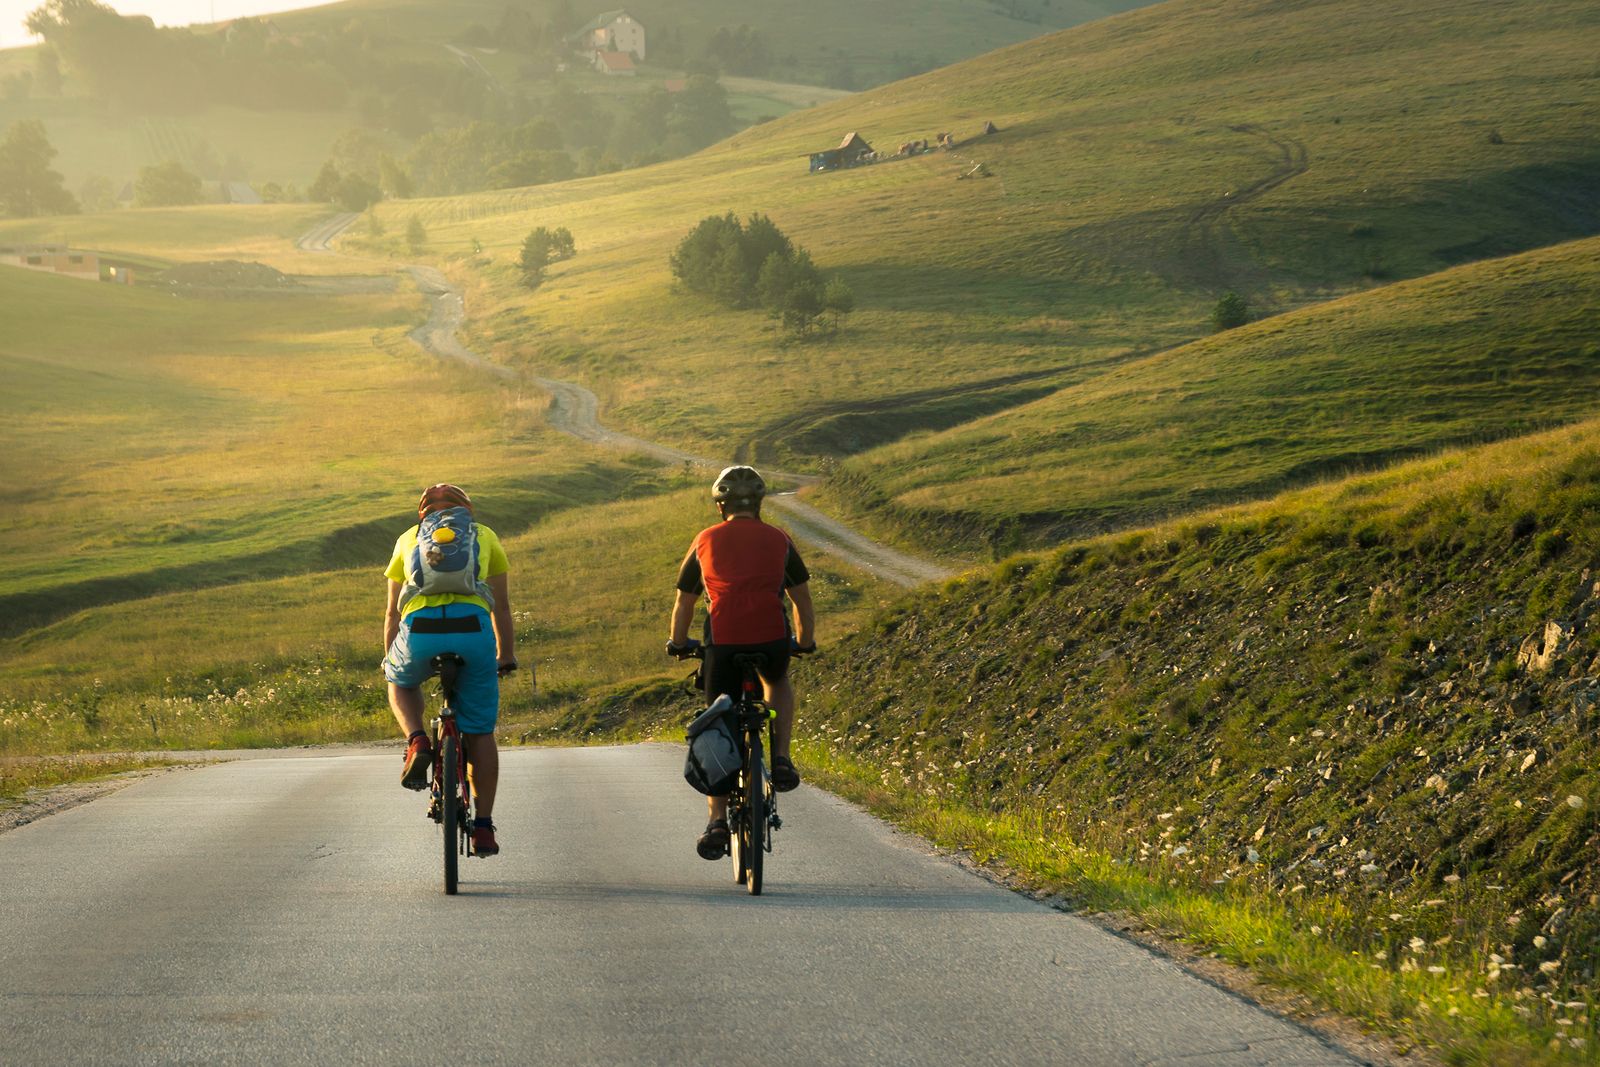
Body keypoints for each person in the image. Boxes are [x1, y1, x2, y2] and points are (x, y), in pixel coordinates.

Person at [667, 465, 816, 860]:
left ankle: (716, 821)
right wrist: (803, 641)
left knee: (718, 722)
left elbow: (685, 600)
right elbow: (801, 598)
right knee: (778, 681)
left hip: (724, 641)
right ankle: (781, 758)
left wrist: (678, 642)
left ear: (721, 506)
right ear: (760, 503)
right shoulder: (779, 539)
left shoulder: (705, 540)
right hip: (770, 637)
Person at [383, 483, 517, 856]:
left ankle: (417, 741)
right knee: (480, 733)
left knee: (399, 681)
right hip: (473, 632)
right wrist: (506, 656)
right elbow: (501, 607)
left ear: (422, 512)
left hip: (420, 632)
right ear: (466, 510)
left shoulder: (408, 539)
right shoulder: (485, 536)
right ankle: (485, 826)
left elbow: (393, 612)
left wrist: (390, 658)